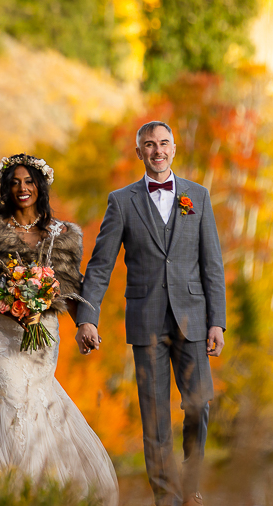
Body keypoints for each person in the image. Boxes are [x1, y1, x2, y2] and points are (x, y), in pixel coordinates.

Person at [76, 122, 226, 506]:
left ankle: (191, 484)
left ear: (174, 148)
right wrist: (87, 317)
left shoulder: (199, 196)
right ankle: (167, 498)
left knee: (198, 404)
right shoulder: (121, 201)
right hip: (146, 323)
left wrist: (216, 321)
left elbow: (212, 265)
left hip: (193, 319)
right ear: (139, 151)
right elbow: (100, 266)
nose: (157, 150)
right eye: (149, 145)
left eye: (163, 144)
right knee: (155, 417)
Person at [0, 153, 119, 505]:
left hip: (43, 333)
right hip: (2, 332)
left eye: (29, 181)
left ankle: (49, 490)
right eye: (15, 182)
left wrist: (85, 324)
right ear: (6, 187)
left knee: (39, 400)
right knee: (13, 401)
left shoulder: (63, 235)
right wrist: (11, 304)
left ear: (40, 186)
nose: (22, 188)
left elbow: (70, 287)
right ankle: (14, 491)